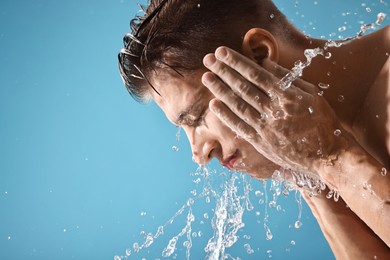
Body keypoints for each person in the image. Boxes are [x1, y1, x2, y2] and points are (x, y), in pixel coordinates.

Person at [118, 0, 390, 257]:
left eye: (197, 117)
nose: (200, 154)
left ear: (259, 54)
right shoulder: (327, 144)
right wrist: (308, 170)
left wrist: (330, 158)